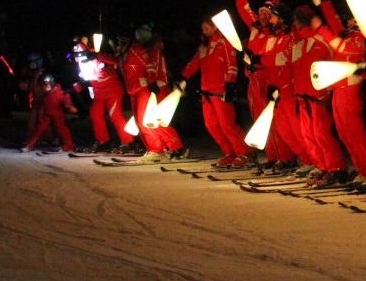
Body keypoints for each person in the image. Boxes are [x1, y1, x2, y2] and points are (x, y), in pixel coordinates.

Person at [320, 1, 366, 192]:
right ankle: (362, 170)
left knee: (355, 132)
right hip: (338, 88)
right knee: (344, 133)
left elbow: (358, 53)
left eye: (344, 22)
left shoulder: (358, 37)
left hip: (350, 87)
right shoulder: (341, 38)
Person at [290, 5, 350, 187]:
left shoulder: (319, 40)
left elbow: (329, 64)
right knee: (309, 135)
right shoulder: (300, 43)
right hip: (303, 97)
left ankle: (336, 169)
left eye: (296, 20)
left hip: (317, 96)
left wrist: (327, 92)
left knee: (322, 134)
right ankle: (322, 166)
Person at [183, 16, 253, 168]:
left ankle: (244, 153)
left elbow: (231, 63)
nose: (204, 32)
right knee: (212, 125)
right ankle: (230, 152)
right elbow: (195, 63)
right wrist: (183, 77)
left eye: (206, 28)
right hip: (206, 93)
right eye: (203, 29)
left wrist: (230, 84)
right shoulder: (204, 46)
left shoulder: (224, 41)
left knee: (227, 124)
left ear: (214, 27)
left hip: (221, 91)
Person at [240, 0, 298, 172]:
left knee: (275, 121)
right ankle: (273, 156)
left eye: (268, 14)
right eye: (262, 13)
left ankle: (285, 156)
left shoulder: (272, 34)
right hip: (254, 80)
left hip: (268, 81)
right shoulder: (256, 29)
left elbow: (274, 59)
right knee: (261, 119)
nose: (265, 17)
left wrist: (258, 61)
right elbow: (244, 10)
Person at [124, 23, 186, 163]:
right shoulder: (145, 48)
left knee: (153, 120)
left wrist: (154, 82)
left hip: (154, 87)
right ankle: (161, 148)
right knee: (149, 120)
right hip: (147, 87)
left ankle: (166, 148)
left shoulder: (150, 48)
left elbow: (152, 66)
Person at [77, 37, 137, 154]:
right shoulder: (80, 61)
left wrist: (97, 56)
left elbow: (115, 61)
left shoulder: (96, 54)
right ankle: (103, 141)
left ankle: (129, 142)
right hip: (99, 92)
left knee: (115, 115)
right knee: (95, 114)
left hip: (112, 90)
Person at [21, 74, 77, 153]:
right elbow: (37, 95)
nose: (46, 87)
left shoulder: (59, 91)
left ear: (52, 83)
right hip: (47, 114)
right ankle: (30, 145)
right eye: (44, 85)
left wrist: (69, 106)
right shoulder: (44, 92)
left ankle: (69, 146)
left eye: (47, 85)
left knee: (63, 130)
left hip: (58, 115)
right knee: (39, 129)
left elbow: (66, 97)